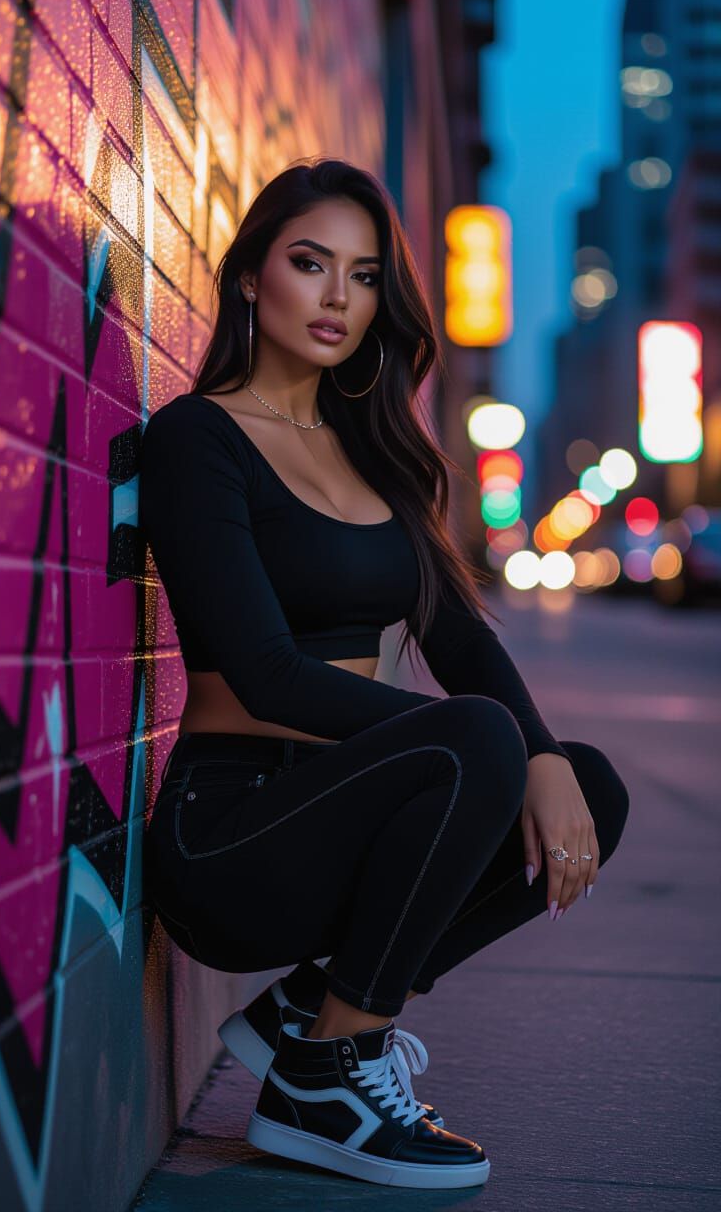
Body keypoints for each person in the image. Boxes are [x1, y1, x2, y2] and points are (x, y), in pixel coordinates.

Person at [139, 156, 630, 1190]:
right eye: (310, 263)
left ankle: (307, 1019)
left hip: (339, 813)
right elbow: (268, 677)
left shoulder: (375, 455)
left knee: (589, 784)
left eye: (363, 277)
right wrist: (486, 749)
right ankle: (330, 1069)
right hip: (228, 835)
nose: (337, 298)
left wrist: (542, 758)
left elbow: (461, 641)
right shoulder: (199, 440)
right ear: (249, 277)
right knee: (477, 741)